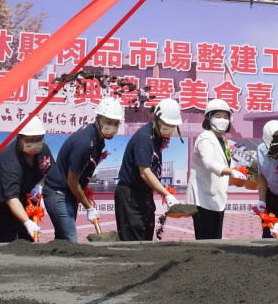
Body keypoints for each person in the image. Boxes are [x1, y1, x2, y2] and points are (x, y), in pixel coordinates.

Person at [44, 97, 124, 242]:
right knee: (70, 238)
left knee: (63, 239)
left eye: (115, 123)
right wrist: (88, 207)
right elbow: (72, 181)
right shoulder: (86, 142)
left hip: (68, 193)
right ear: (98, 118)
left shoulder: (98, 139)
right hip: (58, 192)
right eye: (108, 122)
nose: (112, 127)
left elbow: (82, 174)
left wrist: (85, 198)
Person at [114, 98, 182, 241]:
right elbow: (145, 172)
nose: (169, 128)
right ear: (157, 118)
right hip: (130, 196)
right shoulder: (145, 137)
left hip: (144, 194)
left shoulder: (158, 137)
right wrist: (166, 194)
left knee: (146, 237)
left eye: (172, 125)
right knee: (133, 240)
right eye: (166, 124)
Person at [0, 116, 52, 243]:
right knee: (5, 246)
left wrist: (40, 185)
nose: (35, 143)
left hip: (24, 202)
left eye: (39, 139)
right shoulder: (8, 160)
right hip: (0, 209)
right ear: (19, 138)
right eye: (30, 139)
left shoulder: (43, 149)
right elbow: (11, 198)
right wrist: (27, 222)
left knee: (27, 244)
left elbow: (49, 171)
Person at [186, 99, 246, 240]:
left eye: (225, 117)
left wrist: (239, 172)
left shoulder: (223, 140)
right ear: (208, 118)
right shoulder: (205, 138)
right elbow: (208, 163)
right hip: (203, 199)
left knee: (215, 239)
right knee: (205, 241)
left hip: (217, 198)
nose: (222, 120)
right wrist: (230, 172)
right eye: (218, 116)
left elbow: (226, 163)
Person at [254, 121, 278, 238]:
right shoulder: (261, 150)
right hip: (272, 195)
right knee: (267, 234)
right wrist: (262, 200)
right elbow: (261, 176)